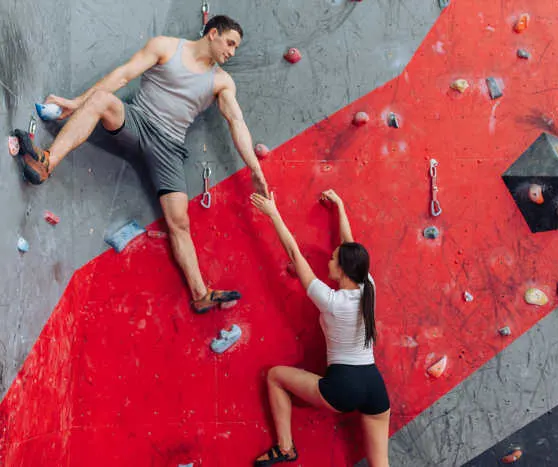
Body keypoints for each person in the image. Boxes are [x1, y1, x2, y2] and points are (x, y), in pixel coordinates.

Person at [13, 15, 269, 313]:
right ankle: (47, 162)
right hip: (137, 121)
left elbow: (236, 121)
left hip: (170, 148)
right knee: (101, 100)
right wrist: (76, 102)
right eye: (230, 43)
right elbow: (123, 75)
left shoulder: (222, 81)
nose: (232, 52)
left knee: (180, 222)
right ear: (213, 33)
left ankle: (200, 294)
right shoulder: (166, 47)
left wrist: (254, 167)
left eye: (235, 47)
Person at [249, 189, 390, 467]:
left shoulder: (332, 301)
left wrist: (273, 213)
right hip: (374, 387)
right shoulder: (368, 287)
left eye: (333, 258)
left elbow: (293, 252)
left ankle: (285, 448)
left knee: (275, 376)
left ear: (343, 269)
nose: (328, 260)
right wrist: (340, 206)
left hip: (343, 387)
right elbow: (351, 244)